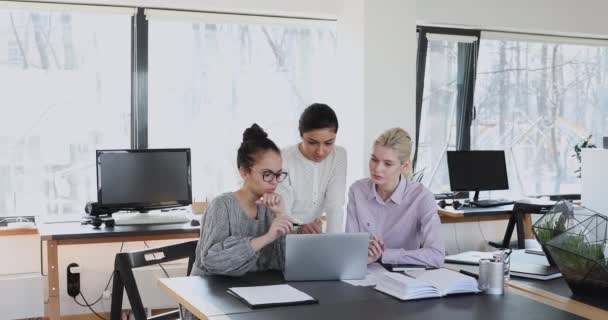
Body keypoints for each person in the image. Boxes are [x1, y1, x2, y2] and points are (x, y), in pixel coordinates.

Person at [190, 123, 294, 278]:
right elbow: (211, 261)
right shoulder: (222, 205)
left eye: (278, 174)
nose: (274, 181)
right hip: (209, 292)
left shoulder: (271, 207)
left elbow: (282, 264)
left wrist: (281, 215)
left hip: (252, 290)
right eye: (267, 174)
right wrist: (266, 238)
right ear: (244, 172)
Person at [345, 128, 444, 268]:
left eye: (388, 163)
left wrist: (385, 255)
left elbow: (436, 256)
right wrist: (362, 253)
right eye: (374, 159)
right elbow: (349, 247)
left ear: (405, 166)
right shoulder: (357, 191)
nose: (377, 169)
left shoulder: (421, 197)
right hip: (363, 275)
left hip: (405, 279)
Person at [277, 103, 347, 234]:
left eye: (328, 143)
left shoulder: (339, 155)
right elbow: (282, 211)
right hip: (285, 234)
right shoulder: (283, 158)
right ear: (301, 135)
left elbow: (335, 206)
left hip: (315, 234)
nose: (320, 152)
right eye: (312, 143)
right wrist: (298, 228)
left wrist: (333, 244)